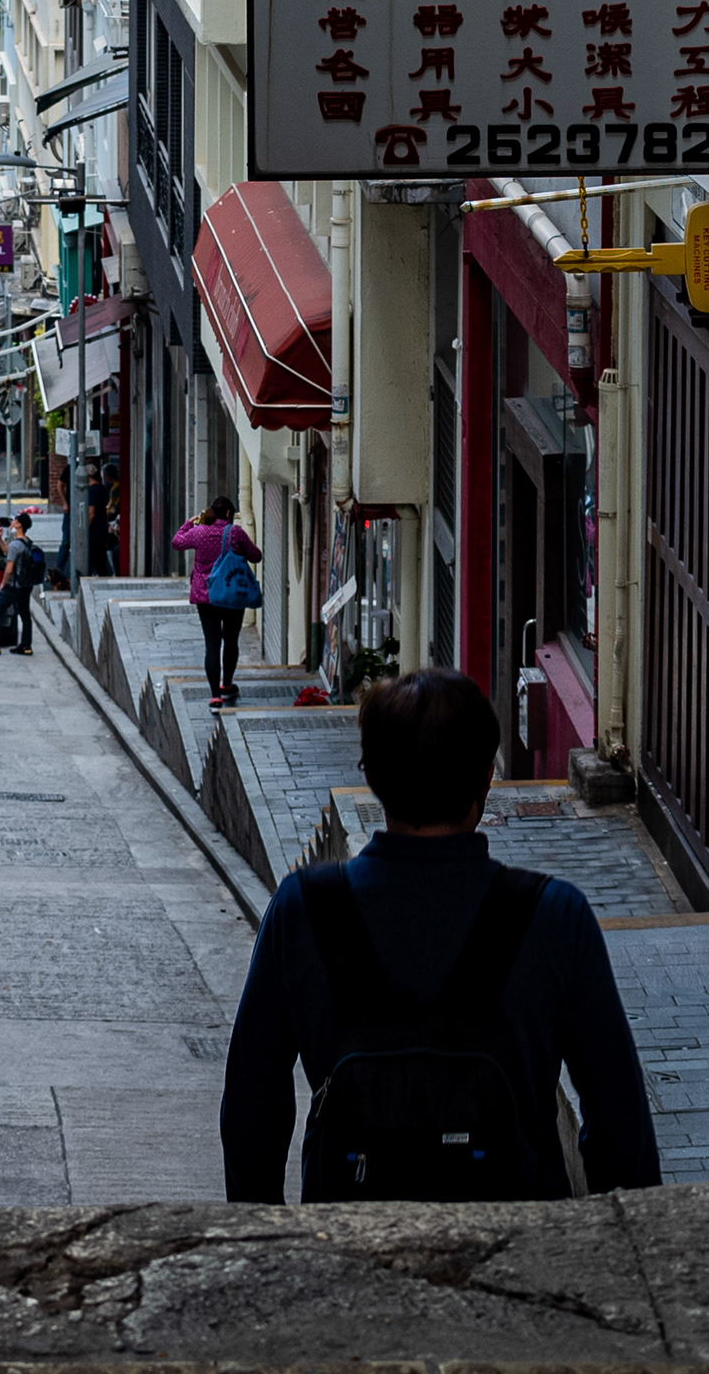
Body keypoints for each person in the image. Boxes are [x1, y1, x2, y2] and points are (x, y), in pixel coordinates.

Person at [220, 669, 658, 1203]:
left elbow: (251, 1106)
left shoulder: (303, 908)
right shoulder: (555, 917)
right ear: (485, 781)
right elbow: (619, 1121)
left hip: (347, 1241)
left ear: (373, 776)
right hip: (520, 1245)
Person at [171, 496, 261, 709]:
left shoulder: (200, 532)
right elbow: (256, 556)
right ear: (229, 514)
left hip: (206, 596)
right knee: (231, 641)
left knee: (212, 645)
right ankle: (227, 684)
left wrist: (189, 523)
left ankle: (214, 696)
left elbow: (177, 542)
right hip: (232, 595)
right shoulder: (235, 533)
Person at [0, 509, 48, 656]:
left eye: (15, 520)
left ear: (19, 525)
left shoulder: (16, 545)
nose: (12, 522)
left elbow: (9, 568)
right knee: (25, 614)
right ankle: (26, 646)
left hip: (13, 586)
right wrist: (0, 539)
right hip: (26, 585)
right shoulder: (27, 543)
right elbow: (7, 551)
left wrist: (3, 583)